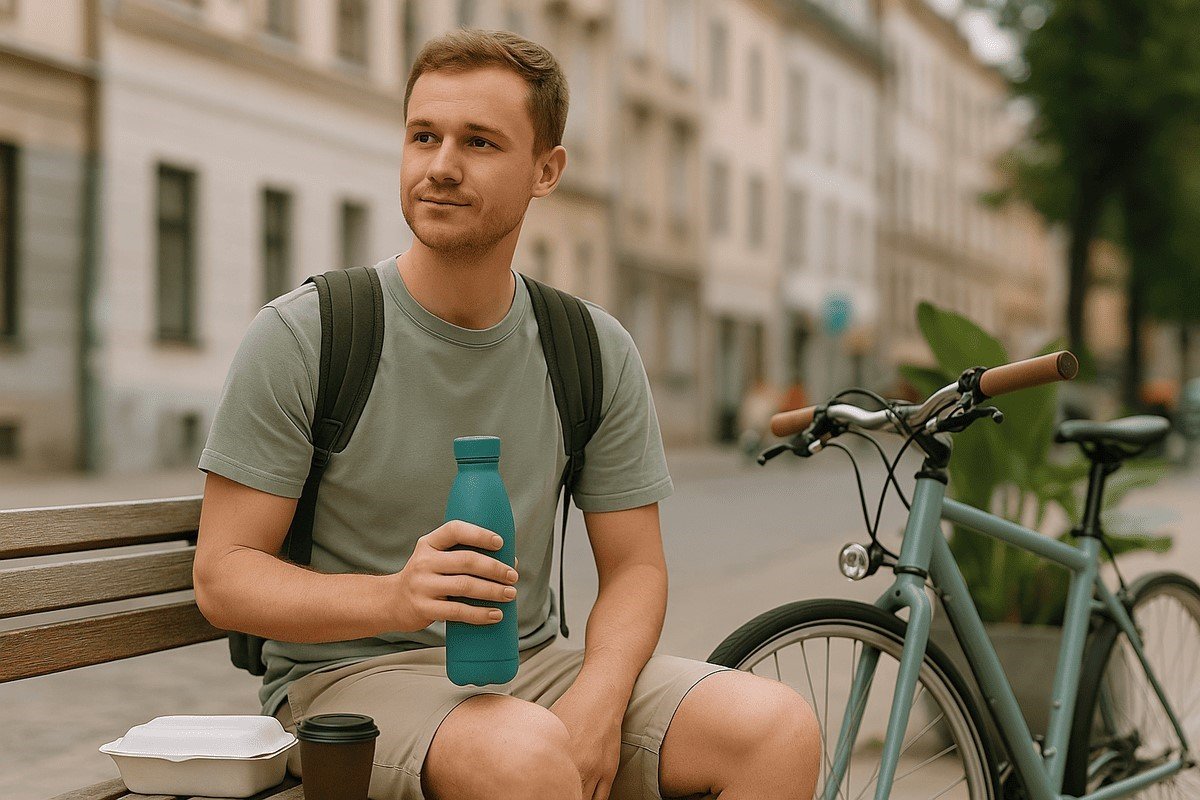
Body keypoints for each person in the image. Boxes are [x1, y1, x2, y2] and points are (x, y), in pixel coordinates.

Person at [193, 28, 819, 800]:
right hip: (348, 681)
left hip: (533, 669)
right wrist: (396, 595)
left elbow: (636, 567)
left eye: (480, 142)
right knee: (525, 754)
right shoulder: (308, 334)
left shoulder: (587, 346)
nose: (441, 165)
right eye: (424, 136)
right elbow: (223, 576)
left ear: (546, 170)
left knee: (778, 729)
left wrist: (599, 696)